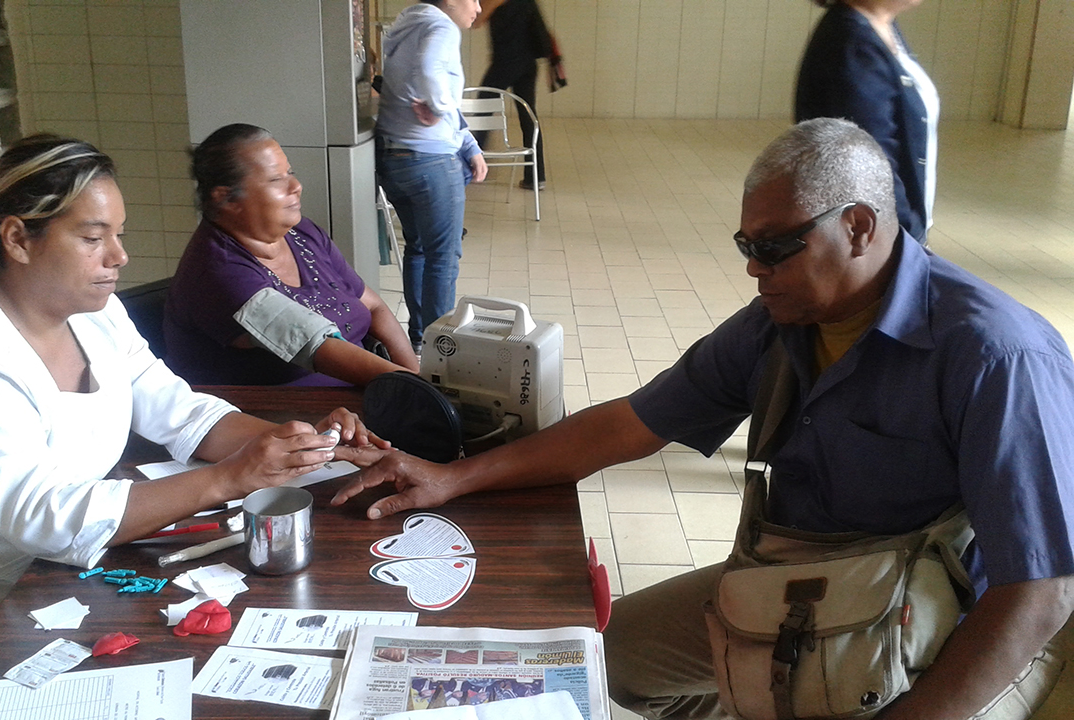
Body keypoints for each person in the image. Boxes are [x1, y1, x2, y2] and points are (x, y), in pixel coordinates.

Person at [333, 118, 1074, 719]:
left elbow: (1038, 593)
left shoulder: (995, 356)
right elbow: (628, 424)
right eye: (746, 247)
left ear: (857, 226)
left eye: (776, 248)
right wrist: (452, 478)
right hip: (800, 587)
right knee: (600, 659)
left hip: (940, 625)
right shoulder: (779, 324)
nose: (755, 269)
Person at [0, 135, 385, 719]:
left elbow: (179, 409)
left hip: (57, 580)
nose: (118, 257)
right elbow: (46, 518)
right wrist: (229, 478)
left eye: (118, 235)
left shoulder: (94, 312)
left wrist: (303, 444)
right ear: (18, 238)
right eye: (93, 239)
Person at [164, 123, 419, 386]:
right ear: (227, 200)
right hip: (283, 415)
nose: (296, 186)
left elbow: (374, 307)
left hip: (362, 397)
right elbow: (316, 345)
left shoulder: (304, 234)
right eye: (276, 179)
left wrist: (420, 383)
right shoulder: (219, 271)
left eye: (291, 173)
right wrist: (419, 393)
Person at [376, 0, 488, 354]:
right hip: (431, 160)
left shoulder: (407, 24)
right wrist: (438, 106)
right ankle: (441, 349)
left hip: (396, 158)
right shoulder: (441, 27)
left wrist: (468, 144)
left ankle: (420, 338)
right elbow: (429, 72)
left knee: (419, 248)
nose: (479, 6)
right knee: (443, 254)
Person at [796, 0, 937, 245]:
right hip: (872, 235)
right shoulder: (853, 42)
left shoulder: (879, 26)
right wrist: (905, 234)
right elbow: (871, 160)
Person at [472, 0, 550, 190]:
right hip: (528, 64)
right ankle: (535, 177)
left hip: (505, 62)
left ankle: (473, 165)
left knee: (482, 108)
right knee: (528, 117)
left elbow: (476, 21)